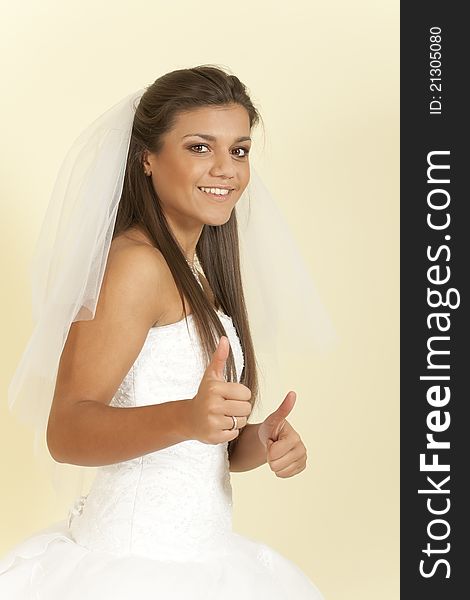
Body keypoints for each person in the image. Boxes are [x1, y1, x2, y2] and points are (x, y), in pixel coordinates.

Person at [0, 65, 331, 599]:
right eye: (200, 147)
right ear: (147, 158)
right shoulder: (136, 266)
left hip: (204, 554)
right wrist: (187, 416)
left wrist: (256, 441)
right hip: (134, 565)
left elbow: (198, 448)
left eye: (240, 151)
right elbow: (66, 431)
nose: (226, 169)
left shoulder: (196, 270)